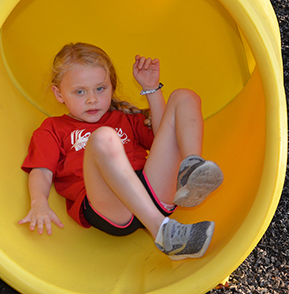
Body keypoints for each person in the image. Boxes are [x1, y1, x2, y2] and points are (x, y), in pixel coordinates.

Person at [19, 42, 224, 260]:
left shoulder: (124, 118)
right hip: (110, 206)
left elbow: (166, 136)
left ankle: (191, 169)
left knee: (184, 96)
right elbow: (41, 171)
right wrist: (38, 201)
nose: (92, 99)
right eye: (80, 92)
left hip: (151, 191)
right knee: (103, 138)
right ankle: (162, 231)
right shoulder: (53, 129)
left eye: (100, 88)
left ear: (111, 86)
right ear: (58, 94)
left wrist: (152, 89)